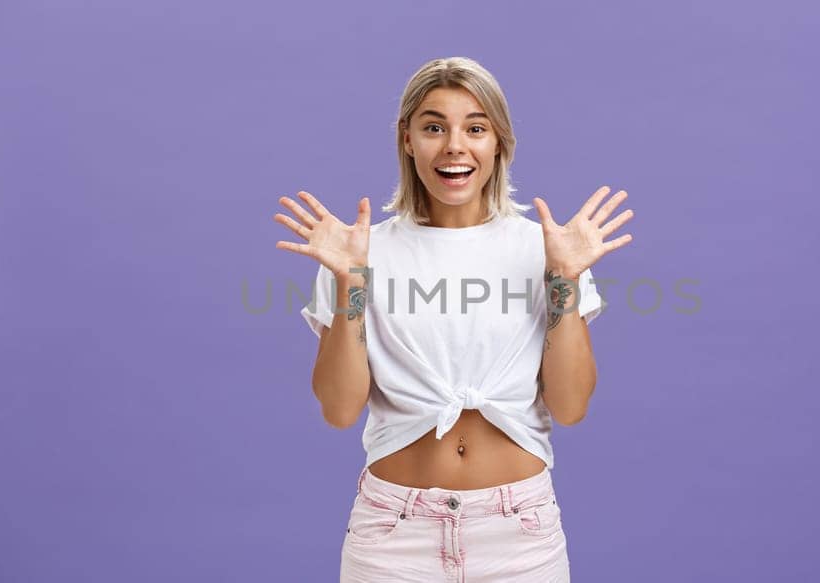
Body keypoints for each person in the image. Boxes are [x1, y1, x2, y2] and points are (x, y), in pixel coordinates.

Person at [271, 56, 635, 582]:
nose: (455, 146)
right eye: (434, 127)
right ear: (407, 139)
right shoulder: (357, 252)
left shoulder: (547, 249)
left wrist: (564, 280)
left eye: (476, 128)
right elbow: (339, 409)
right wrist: (352, 282)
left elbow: (571, 405)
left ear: (499, 142)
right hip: (394, 538)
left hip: (518, 538)